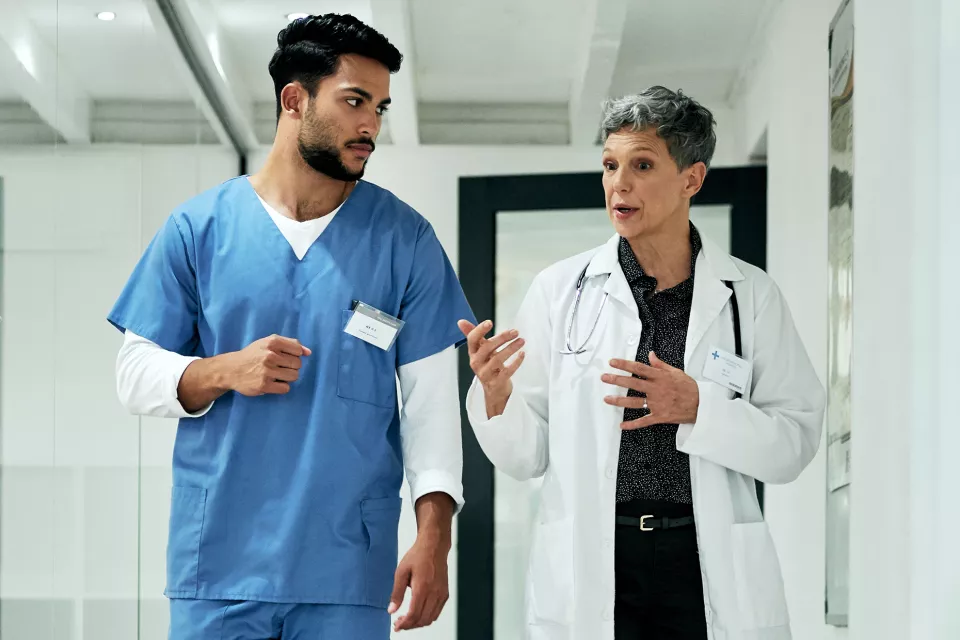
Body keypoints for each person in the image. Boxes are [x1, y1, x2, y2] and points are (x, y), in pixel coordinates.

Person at [109, 14, 474, 639]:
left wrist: (434, 538)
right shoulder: (199, 230)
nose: (371, 126)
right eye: (355, 101)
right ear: (295, 100)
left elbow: (431, 410)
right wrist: (226, 369)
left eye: (380, 108)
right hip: (221, 563)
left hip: (346, 568)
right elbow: (133, 376)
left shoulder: (404, 240)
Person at [459, 87, 825, 640]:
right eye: (609, 165)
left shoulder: (751, 296)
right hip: (599, 555)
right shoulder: (559, 290)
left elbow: (794, 440)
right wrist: (496, 396)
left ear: (691, 179)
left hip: (701, 558)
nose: (618, 184)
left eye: (642, 164)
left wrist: (699, 406)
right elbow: (529, 456)